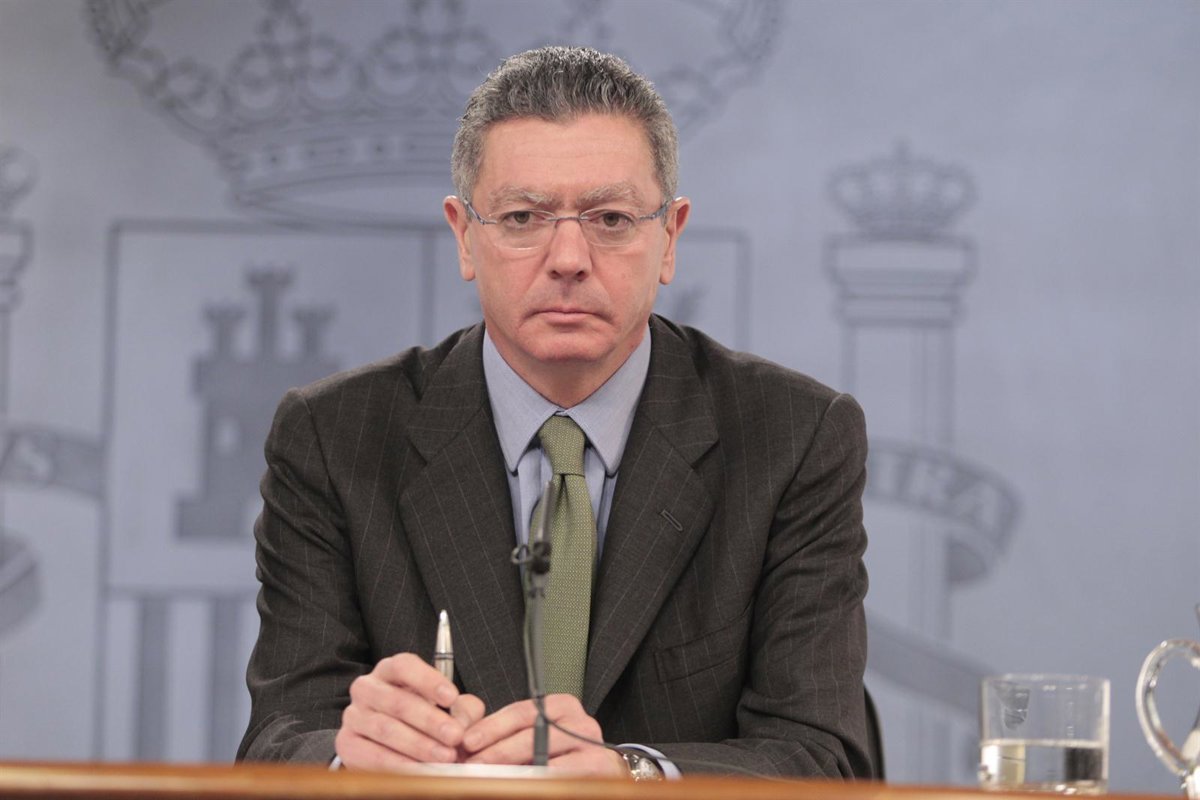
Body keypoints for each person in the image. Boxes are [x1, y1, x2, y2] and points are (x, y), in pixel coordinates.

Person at [237, 45, 872, 780]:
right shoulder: (334, 437)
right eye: (522, 217)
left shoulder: (794, 436)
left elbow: (821, 755)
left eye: (611, 218)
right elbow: (279, 739)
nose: (569, 257)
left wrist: (632, 777)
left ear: (669, 237)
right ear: (464, 236)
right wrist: (349, 758)